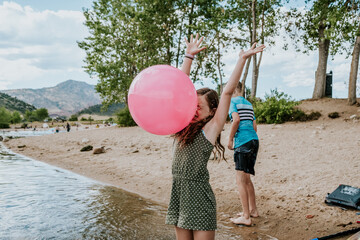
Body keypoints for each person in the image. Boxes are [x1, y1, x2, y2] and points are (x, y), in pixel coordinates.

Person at [165, 33, 265, 240]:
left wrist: (242, 59)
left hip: (199, 197)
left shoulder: (210, 128)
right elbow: (178, 91)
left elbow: (227, 92)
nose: (193, 109)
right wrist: (188, 57)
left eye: (198, 107)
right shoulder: (182, 125)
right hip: (179, 193)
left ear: (212, 111)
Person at [227, 82, 259, 226]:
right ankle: (253, 210)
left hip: (243, 143)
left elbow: (236, 120)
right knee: (247, 179)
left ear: (233, 90)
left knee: (240, 180)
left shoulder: (232, 102)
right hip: (254, 141)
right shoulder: (248, 104)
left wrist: (230, 138)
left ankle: (246, 217)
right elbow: (254, 126)